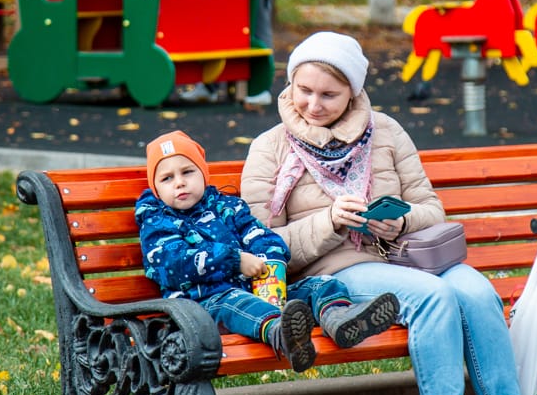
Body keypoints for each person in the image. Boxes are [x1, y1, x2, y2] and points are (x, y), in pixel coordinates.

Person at [241, 32, 537, 395]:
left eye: (329, 94)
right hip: (337, 271)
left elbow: (431, 208)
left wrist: (401, 218)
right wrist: (328, 222)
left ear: (353, 91)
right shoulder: (271, 148)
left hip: (405, 256)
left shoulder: (385, 132)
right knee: (435, 298)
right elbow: (262, 246)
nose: (313, 104)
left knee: (475, 290)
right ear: (291, 83)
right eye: (304, 90)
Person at [136, 130, 400, 373]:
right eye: (167, 178)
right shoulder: (158, 221)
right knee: (235, 302)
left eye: (187, 172)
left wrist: (270, 260)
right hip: (203, 305)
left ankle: (339, 317)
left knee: (321, 285)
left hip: (257, 290)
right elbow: (171, 262)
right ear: (156, 188)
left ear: (203, 174)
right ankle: (283, 334)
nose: (180, 183)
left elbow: (260, 235)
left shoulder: (227, 207)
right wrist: (235, 260)